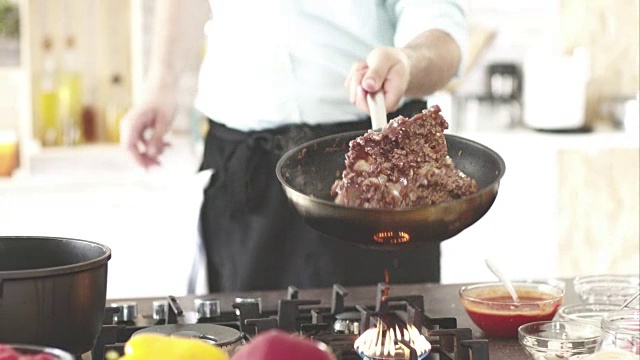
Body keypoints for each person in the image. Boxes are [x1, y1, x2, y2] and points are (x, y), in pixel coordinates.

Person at [121, 0, 467, 292]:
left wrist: (407, 62)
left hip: (379, 170)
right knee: (247, 344)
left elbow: (441, 28)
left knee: (390, 337)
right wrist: (160, 85)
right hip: (246, 167)